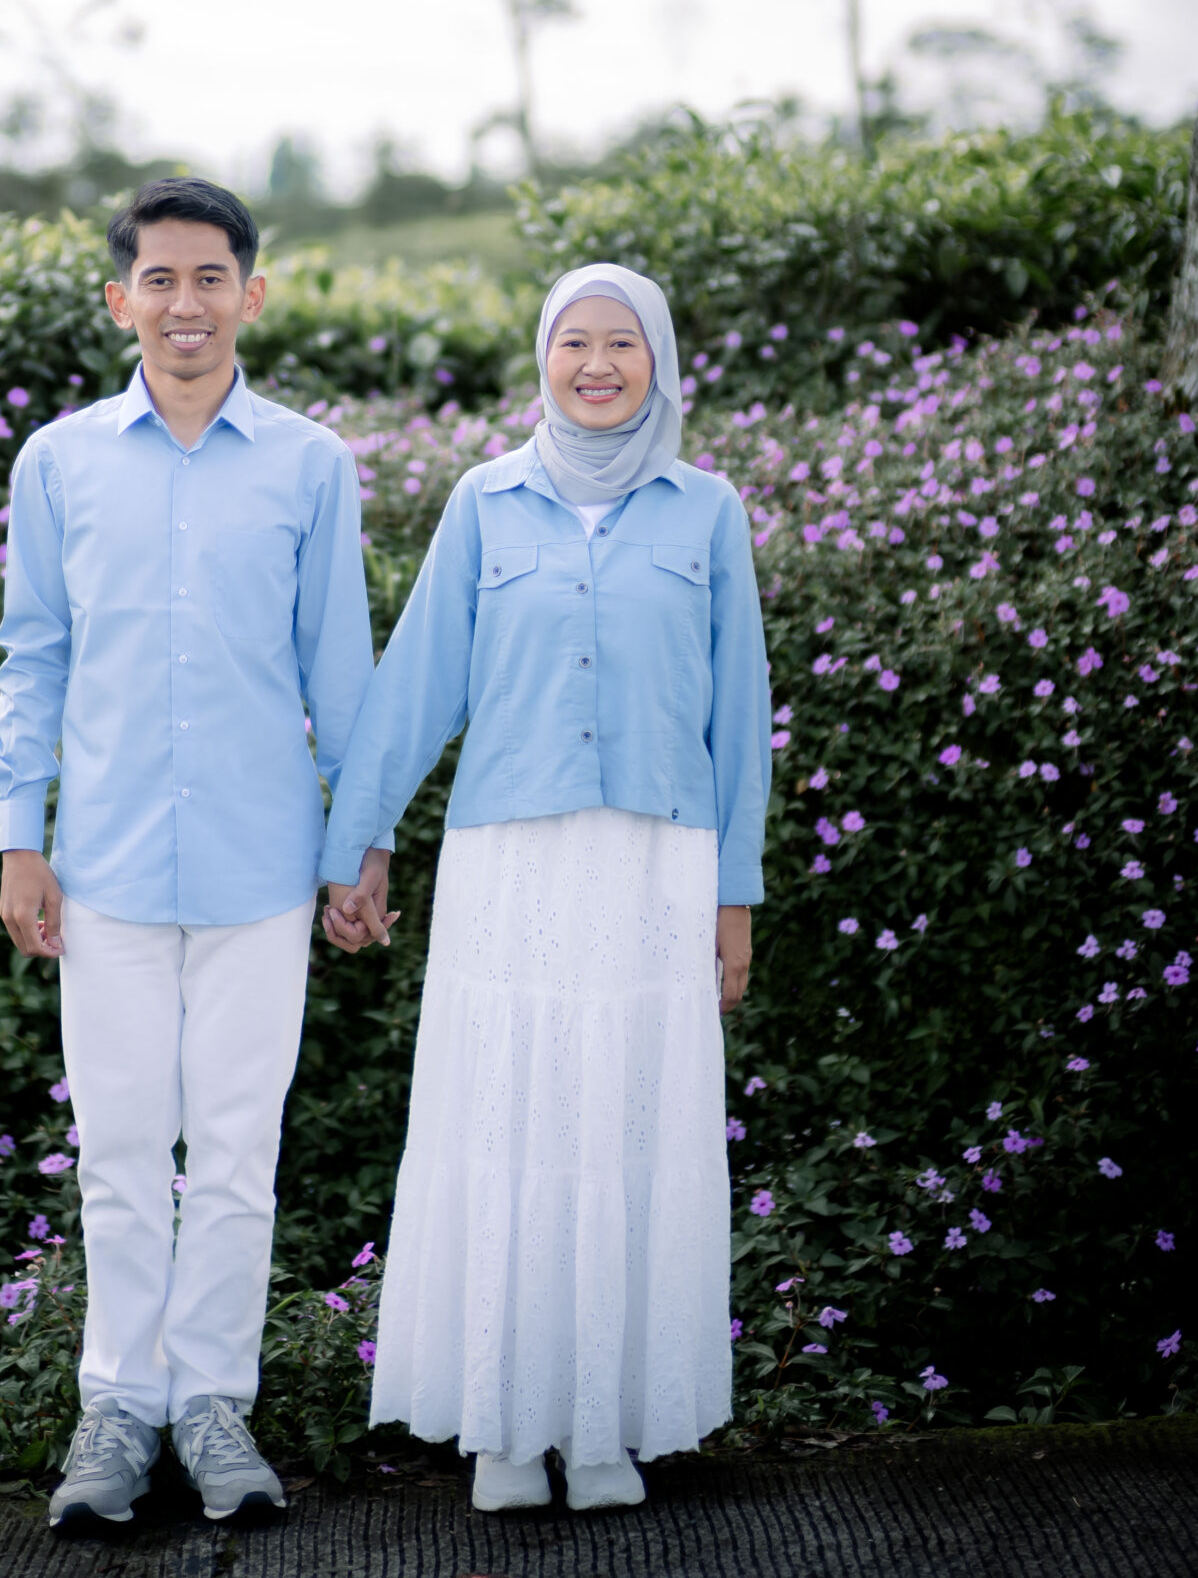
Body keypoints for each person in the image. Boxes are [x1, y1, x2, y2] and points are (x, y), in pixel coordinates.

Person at [320, 263, 770, 1513]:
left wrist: (734, 894)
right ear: (543, 358)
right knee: (508, 1120)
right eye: (575, 341)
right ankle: (507, 1430)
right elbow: (418, 684)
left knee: (627, 1123)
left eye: (623, 342)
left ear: (659, 361)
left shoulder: (707, 511)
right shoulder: (486, 502)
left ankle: (608, 1422)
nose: (598, 364)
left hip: (657, 865)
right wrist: (357, 844)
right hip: (510, 866)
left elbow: (741, 715)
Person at [0, 178, 392, 1537]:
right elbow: (33, 658)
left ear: (250, 294)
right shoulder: (58, 463)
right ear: (121, 300)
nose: (184, 303)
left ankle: (213, 1405)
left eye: (209, 276)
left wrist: (360, 848)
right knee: (115, 1150)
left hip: (259, 872)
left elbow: (341, 670)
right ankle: (114, 1412)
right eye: (157, 279)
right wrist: (20, 837)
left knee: (232, 1153)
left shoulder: (308, 465)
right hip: (100, 869)